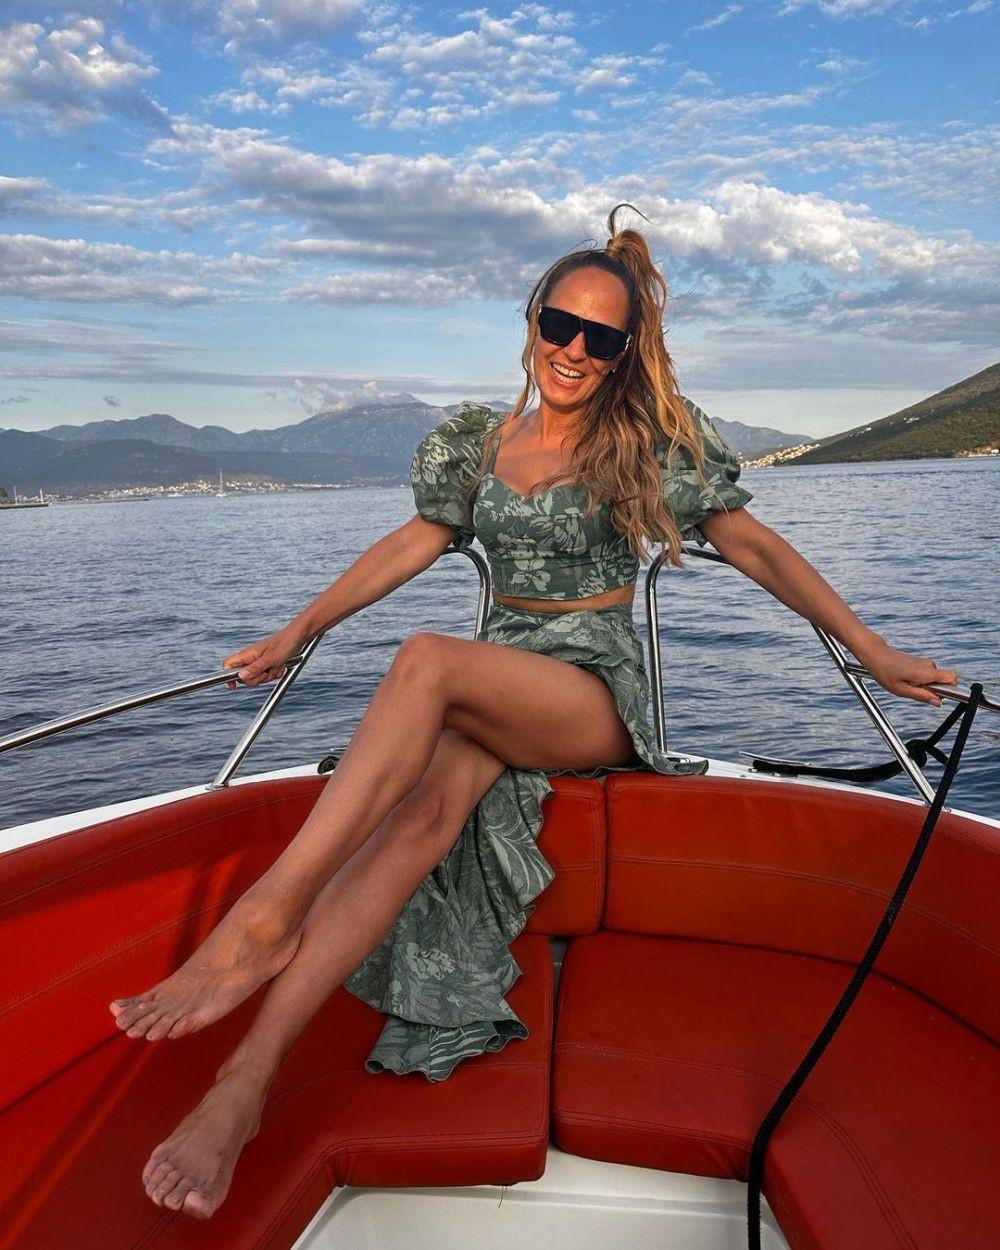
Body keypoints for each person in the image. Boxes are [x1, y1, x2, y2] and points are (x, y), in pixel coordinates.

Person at [109, 205, 957, 1219]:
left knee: (425, 660)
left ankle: (264, 919)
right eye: (561, 324)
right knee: (415, 821)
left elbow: (753, 545)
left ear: (624, 352)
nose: (575, 350)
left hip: (591, 685)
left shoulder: (648, 440)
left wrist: (868, 647)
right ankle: (241, 1085)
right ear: (532, 320)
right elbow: (413, 542)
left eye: (602, 338)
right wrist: (299, 629)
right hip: (498, 679)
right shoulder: (476, 442)